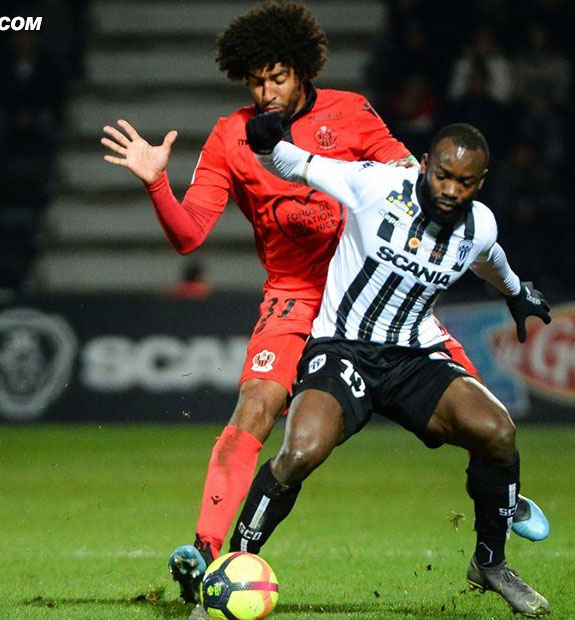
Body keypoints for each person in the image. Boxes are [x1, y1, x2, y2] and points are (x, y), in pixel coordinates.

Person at [100, 1, 549, 610]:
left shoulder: (351, 112)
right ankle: (208, 554)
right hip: (293, 297)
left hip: (374, 291)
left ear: (304, 70)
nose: (266, 92)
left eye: (277, 77)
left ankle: (506, 498)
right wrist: (157, 181)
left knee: (478, 412)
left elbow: (403, 178)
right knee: (257, 408)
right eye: (255, 81)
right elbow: (189, 235)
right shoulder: (232, 136)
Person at [228, 116, 551, 617]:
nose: (450, 189)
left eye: (464, 182)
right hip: (342, 348)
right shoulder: (376, 185)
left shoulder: (479, 223)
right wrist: (269, 141)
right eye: (443, 174)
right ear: (425, 165)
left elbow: (488, 257)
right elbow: (298, 165)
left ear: (479, 185)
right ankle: (233, 567)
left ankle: (490, 562)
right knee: (300, 453)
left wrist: (516, 293)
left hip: (413, 358)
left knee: (497, 431)